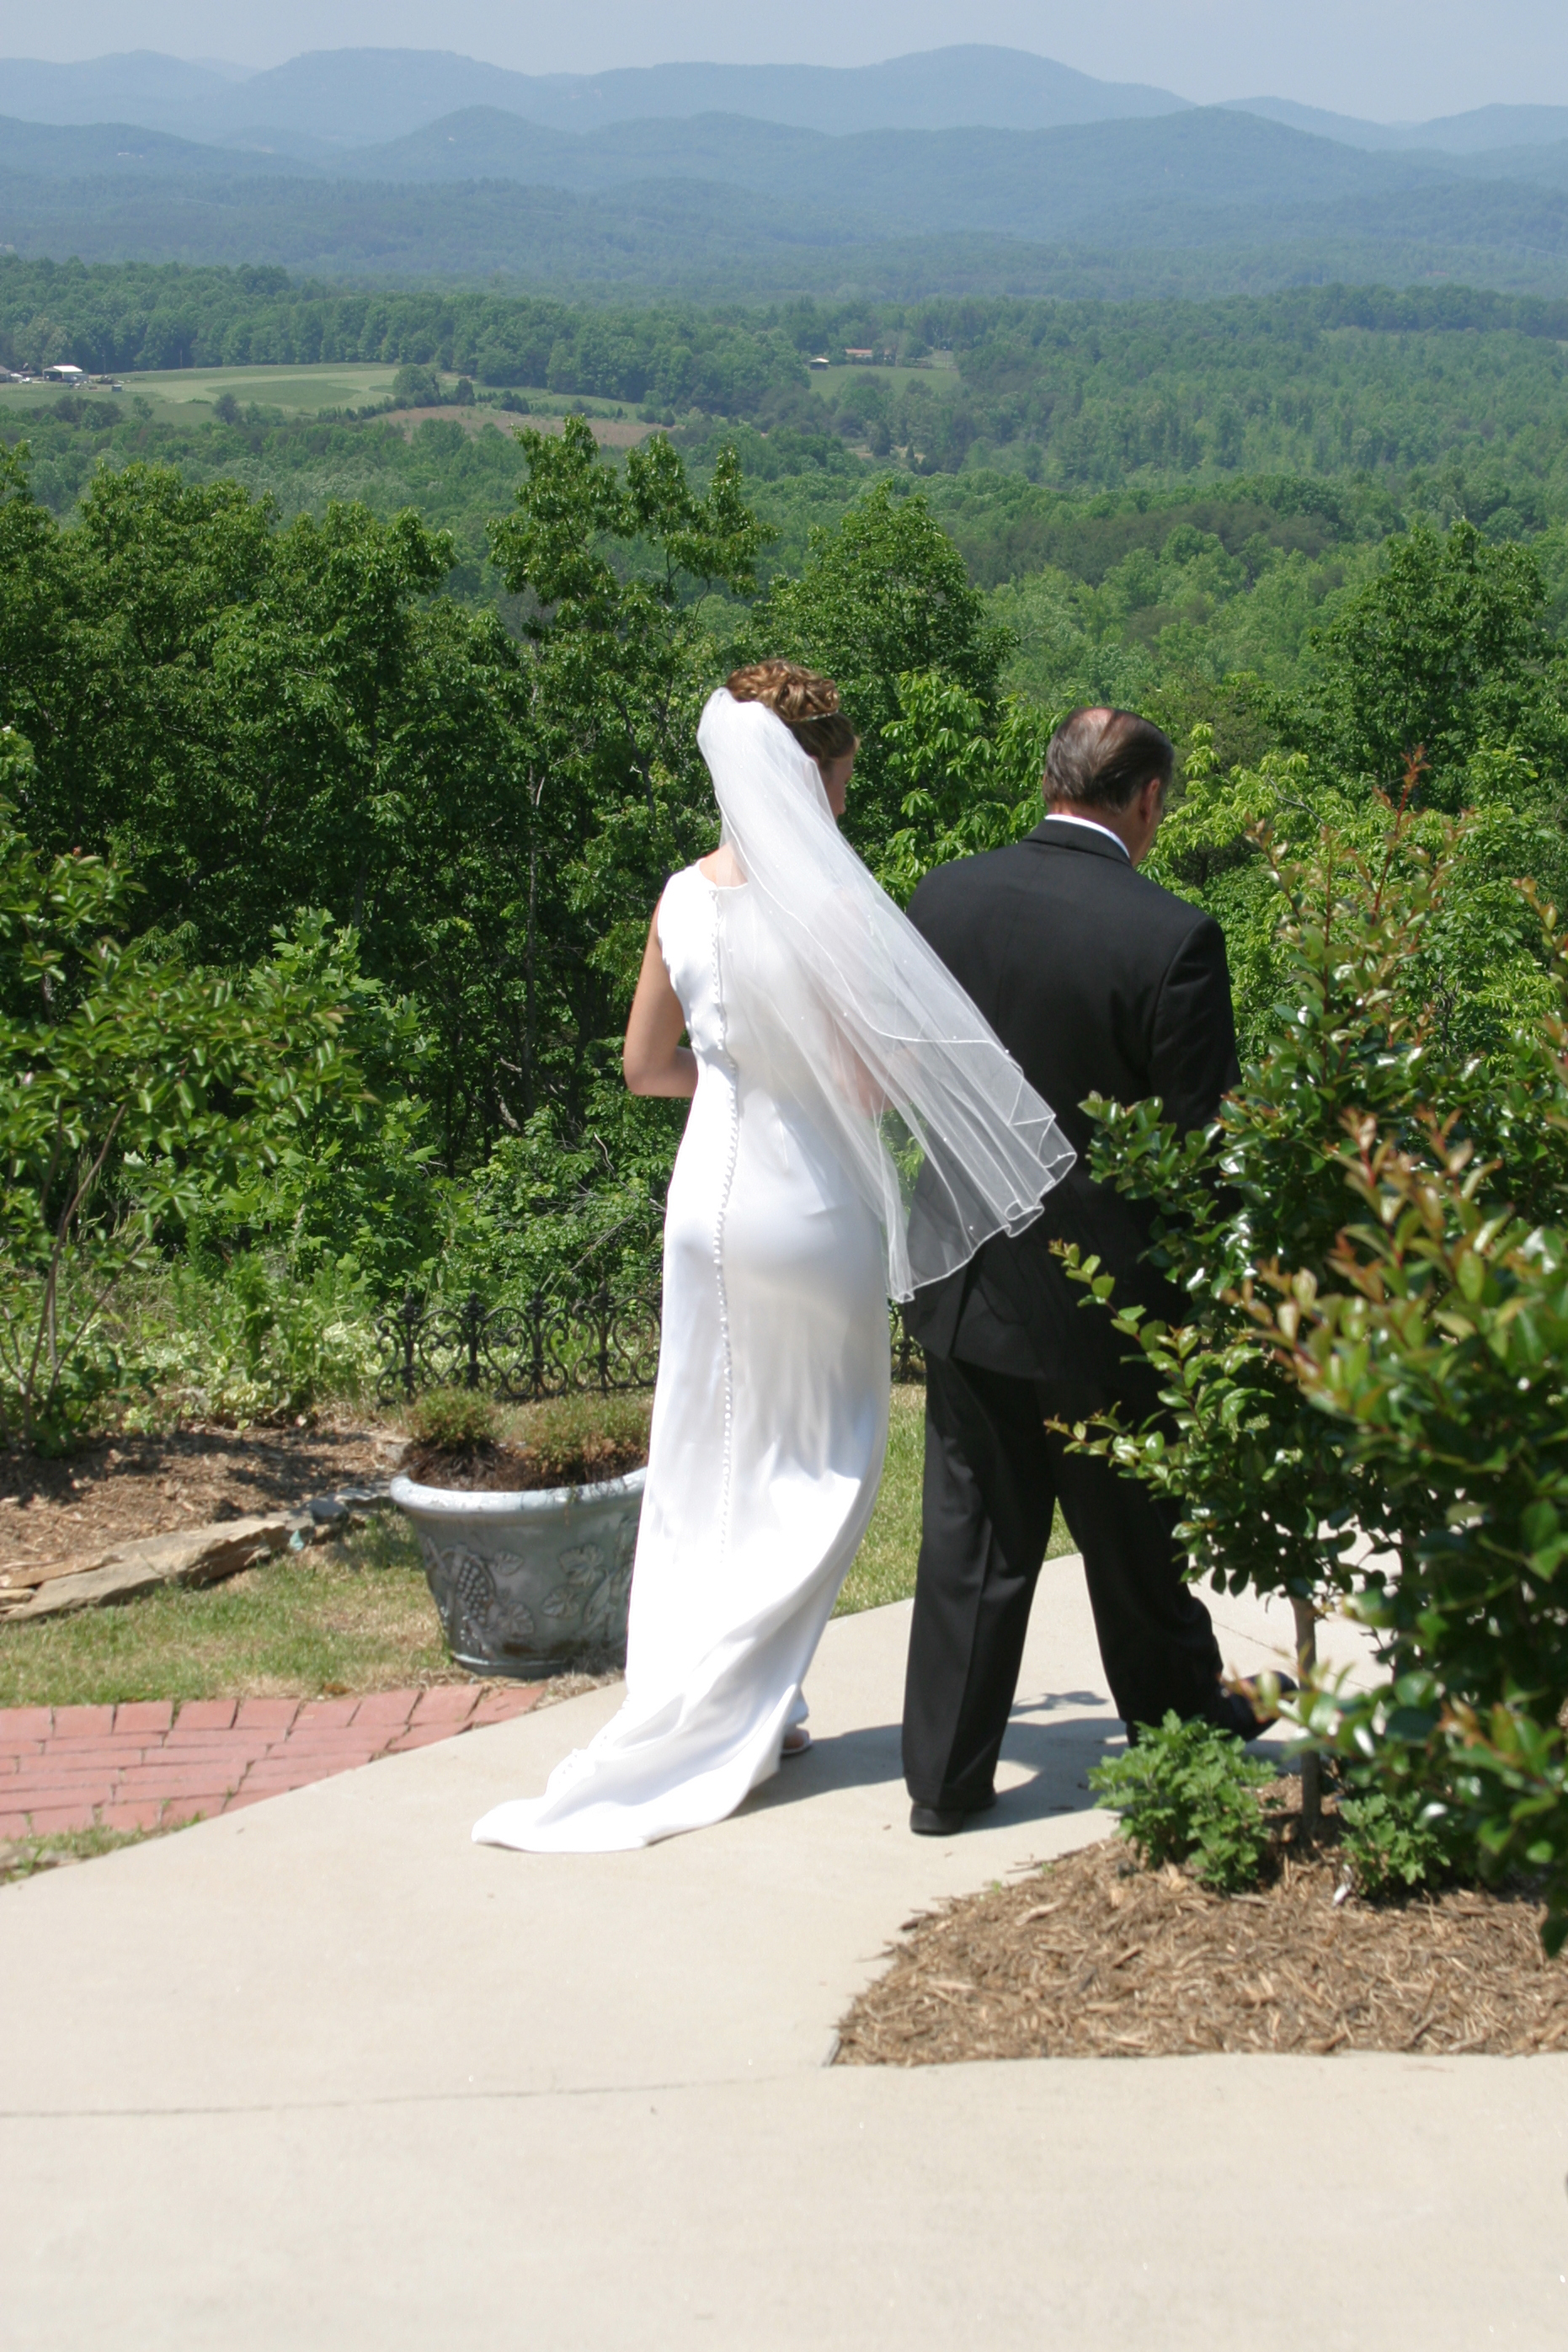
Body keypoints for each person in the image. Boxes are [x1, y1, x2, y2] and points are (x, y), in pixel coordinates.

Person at [473, 664, 1074, 1853]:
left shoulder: (679, 898)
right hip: (811, 1205)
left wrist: (743, 1076)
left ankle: (727, 1700)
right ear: (812, 775)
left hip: (707, 1204)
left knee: (709, 1457)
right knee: (828, 1469)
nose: (844, 802)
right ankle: (736, 1702)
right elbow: (870, 1081)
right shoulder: (837, 904)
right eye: (841, 778)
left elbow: (646, 1067)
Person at [900, 705, 1273, 1838]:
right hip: (1103, 1303)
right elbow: (1197, 1149)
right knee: (1128, 1530)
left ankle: (944, 1781)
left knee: (971, 1531)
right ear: (1146, 798)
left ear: (1050, 777)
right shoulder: (1170, 937)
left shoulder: (940, 898)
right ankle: (1184, 1749)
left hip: (958, 1273)